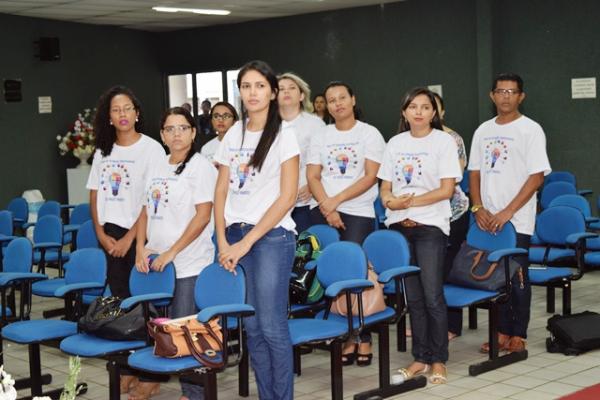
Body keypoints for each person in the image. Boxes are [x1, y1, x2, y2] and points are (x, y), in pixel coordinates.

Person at [213, 60, 299, 400]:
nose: (252, 92)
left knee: (272, 326)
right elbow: (220, 190)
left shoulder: (283, 135)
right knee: (251, 327)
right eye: (246, 86)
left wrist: (246, 243)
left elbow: (288, 196)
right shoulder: (233, 133)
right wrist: (222, 240)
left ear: (273, 92)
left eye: (260, 86)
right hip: (234, 237)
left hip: (271, 239)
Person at [86, 85, 166, 396]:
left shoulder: (151, 149)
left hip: (142, 234)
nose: (122, 114)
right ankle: (131, 367)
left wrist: (131, 239)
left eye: (127, 108)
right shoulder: (103, 151)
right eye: (116, 110)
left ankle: (152, 374)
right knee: (122, 306)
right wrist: (100, 233)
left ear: (137, 113)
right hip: (109, 234)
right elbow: (94, 194)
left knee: (145, 305)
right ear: (108, 117)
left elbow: (152, 198)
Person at [379, 87, 461, 385]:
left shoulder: (444, 142)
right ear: (404, 112)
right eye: (412, 106)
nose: (418, 112)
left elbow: (446, 190)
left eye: (425, 107)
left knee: (432, 295)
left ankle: (438, 359)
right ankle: (420, 357)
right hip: (400, 228)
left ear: (434, 112)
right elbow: (385, 188)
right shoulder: (395, 143)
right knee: (412, 298)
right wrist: (392, 202)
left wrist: (409, 202)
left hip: (430, 228)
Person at [135, 107, 216, 400]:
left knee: (186, 331)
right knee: (160, 329)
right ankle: (160, 379)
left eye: (183, 128)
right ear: (162, 135)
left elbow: (203, 216)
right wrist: (140, 247)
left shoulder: (202, 167)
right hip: (157, 264)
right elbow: (144, 211)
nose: (176, 134)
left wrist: (173, 250)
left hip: (188, 263)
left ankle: (193, 393)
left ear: (193, 133)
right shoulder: (156, 166)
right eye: (170, 129)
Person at [469, 73, 551, 354]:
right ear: (492, 95)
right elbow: (475, 173)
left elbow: (536, 177)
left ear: (521, 97)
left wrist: (507, 212)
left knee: (517, 276)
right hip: (487, 218)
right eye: (500, 91)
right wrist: (478, 207)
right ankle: (501, 332)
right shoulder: (482, 130)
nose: (505, 96)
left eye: (511, 91)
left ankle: (519, 333)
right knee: (495, 276)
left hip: (516, 219)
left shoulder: (531, 130)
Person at [306, 81, 385, 366]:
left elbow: (370, 176)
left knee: (354, 275)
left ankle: (361, 336)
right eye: (331, 100)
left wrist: (334, 201)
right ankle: (343, 336)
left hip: (357, 211)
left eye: (342, 98)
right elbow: (313, 175)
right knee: (330, 276)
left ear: (353, 99)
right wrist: (328, 208)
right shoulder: (321, 135)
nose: (337, 104)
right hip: (325, 211)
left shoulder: (369, 133)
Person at [432, 92, 470, 340]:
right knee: (429, 271)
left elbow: (455, 175)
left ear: (441, 112)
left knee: (448, 268)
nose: (426, 112)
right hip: (426, 214)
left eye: (432, 107)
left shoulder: (452, 138)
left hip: (453, 213)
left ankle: (452, 325)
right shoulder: (410, 140)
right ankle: (432, 325)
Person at [278, 72, 326, 233]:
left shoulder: (315, 124)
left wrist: (312, 186)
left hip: (306, 201)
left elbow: (325, 160)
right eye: (281, 88)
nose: (286, 92)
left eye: (291, 88)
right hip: (274, 204)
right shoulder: (267, 126)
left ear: (301, 95)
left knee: (305, 253)